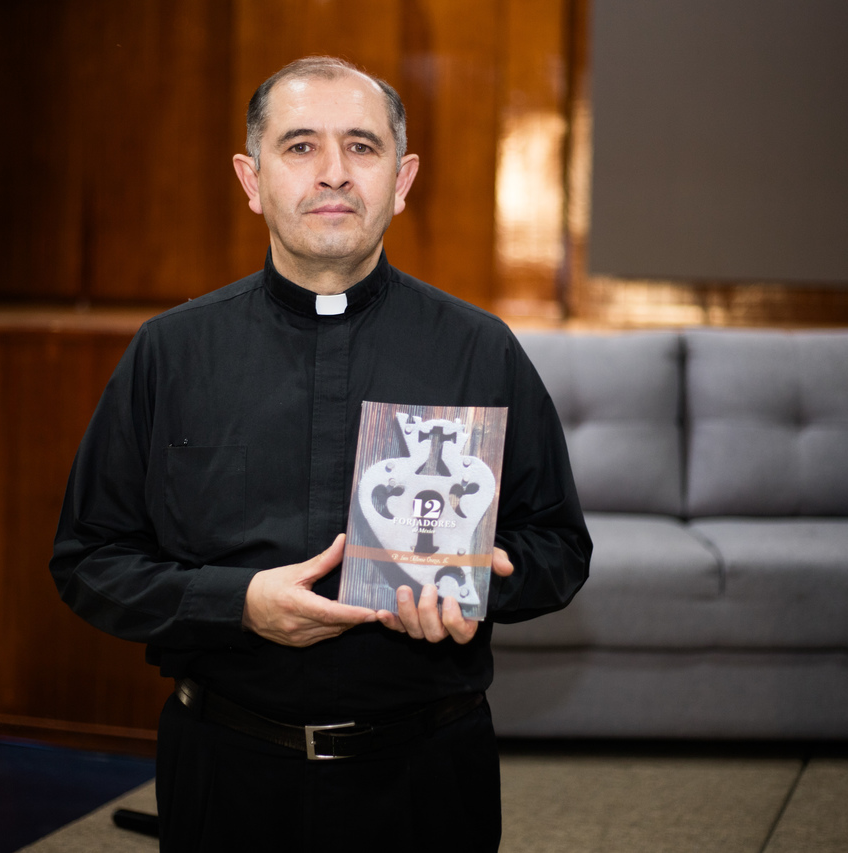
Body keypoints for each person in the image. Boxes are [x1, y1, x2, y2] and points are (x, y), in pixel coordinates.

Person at [51, 55, 590, 852]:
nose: (334, 171)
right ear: (252, 179)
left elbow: (559, 547)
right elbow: (89, 560)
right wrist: (237, 602)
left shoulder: (482, 351)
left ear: (402, 180)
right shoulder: (170, 353)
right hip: (226, 777)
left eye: (362, 147)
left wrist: (477, 585)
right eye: (300, 146)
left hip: (427, 778)